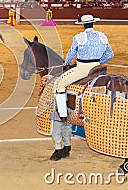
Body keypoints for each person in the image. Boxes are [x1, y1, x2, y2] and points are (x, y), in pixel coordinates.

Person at [50, 14, 114, 161]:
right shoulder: (102, 36)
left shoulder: (79, 38)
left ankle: (63, 114)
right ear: (93, 23)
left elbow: (71, 54)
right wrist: (98, 61)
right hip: (98, 68)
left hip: (83, 69)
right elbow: (110, 54)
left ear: (83, 25)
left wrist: (66, 64)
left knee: (59, 85)